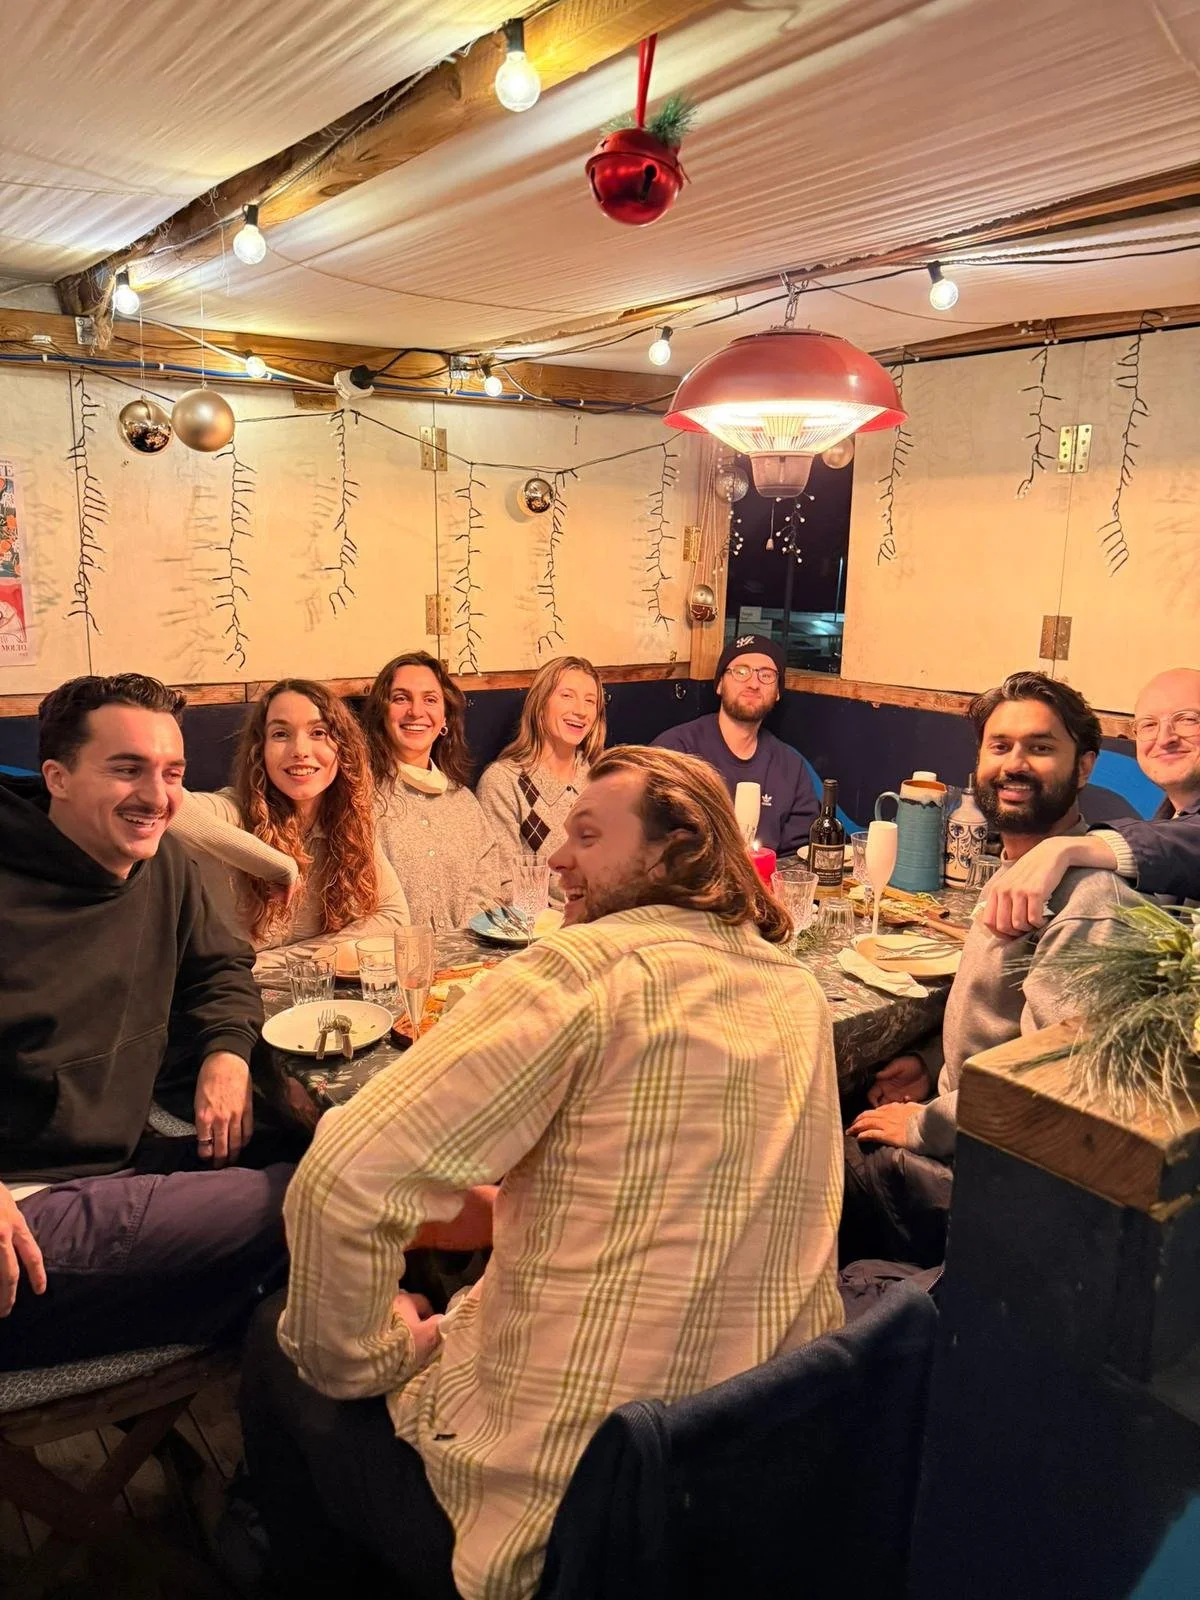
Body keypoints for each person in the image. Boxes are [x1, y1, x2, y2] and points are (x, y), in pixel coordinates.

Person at [239, 745, 844, 1600]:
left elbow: (340, 1184)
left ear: (677, 850)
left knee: (279, 1339)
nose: (558, 856)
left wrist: (374, 1355)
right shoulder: (797, 989)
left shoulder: (578, 971)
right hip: (751, 1482)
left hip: (571, 1526)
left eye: (588, 836)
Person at [0, 674, 291, 1371]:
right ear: (57, 777)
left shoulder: (165, 866)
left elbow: (221, 969)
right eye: (127, 769)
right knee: (325, 1201)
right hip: (23, 1212)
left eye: (172, 773)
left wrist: (227, 1050)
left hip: (115, 1162)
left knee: (337, 1153)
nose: (157, 797)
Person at [843, 671, 1146, 1267]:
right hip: (960, 1125)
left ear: (1084, 767)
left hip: (984, 1179)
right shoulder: (1021, 872)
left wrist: (926, 1127)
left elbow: (1044, 1088)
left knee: (801, 1154)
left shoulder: (1088, 903)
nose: (1015, 764)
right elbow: (1004, 1022)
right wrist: (931, 1063)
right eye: (999, 746)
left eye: (1041, 747)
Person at [170, 678, 409, 974]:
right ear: (260, 749)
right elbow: (165, 803)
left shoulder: (347, 823)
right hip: (233, 997)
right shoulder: (232, 812)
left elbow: (394, 917)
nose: (300, 750)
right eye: (281, 734)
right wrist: (274, 864)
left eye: (318, 733)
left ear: (343, 748)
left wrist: (288, 960)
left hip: (313, 991)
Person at [981, 666, 1200, 935]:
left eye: (1188, 720)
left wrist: (1063, 849)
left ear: (1084, 767)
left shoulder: (1098, 892)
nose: (1164, 739)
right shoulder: (1169, 822)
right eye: (1149, 725)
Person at [361, 651, 502, 931]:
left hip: (467, 953)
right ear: (381, 713)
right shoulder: (360, 799)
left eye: (430, 699)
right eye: (401, 698)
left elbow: (488, 886)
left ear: (445, 717)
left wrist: (457, 944)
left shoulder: (463, 802)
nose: (416, 711)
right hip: (387, 954)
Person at [652, 633, 819, 853]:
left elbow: (798, 853)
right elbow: (651, 840)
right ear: (720, 684)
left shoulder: (790, 766)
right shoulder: (676, 751)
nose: (754, 683)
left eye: (766, 675)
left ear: (778, 692)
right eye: (741, 672)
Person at [476, 654, 605, 900]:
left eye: (590, 701)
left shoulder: (605, 778)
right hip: (547, 921)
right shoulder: (503, 782)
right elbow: (505, 886)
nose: (581, 711)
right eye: (567, 696)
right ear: (540, 704)